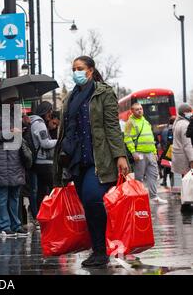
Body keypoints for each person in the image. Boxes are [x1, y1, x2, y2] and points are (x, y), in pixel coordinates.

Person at [54, 56, 129, 267]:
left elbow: (112, 126)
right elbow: (65, 129)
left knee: (92, 198)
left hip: (99, 158)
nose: (75, 72)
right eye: (73, 68)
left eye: (80, 68)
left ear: (90, 70)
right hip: (77, 159)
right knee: (88, 206)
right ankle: (97, 250)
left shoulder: (103, 93)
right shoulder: (71, 97)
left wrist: (120, 155)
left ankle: (101, 250)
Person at [0, 86, 29, 238]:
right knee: (2, 194)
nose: (13, 102)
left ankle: (16, 224)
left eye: (15, 100)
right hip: (0, 160)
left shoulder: (15, 114)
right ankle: (3, 226)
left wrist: (25, 124)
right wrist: (9, 132)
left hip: (15, 159)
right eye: (11, 100)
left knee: (14, 194)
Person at [124, 103, 167, 204]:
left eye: (141, 109)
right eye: (137, 109)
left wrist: (155, 152)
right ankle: (139, 198)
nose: (139, 111)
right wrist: (133, 152)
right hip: (139, 153)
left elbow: (151, 138)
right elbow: (127, 138)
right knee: (139, 177)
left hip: (150, 153)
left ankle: (154, 197)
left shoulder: (146, 122)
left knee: (153, 175)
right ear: (132, 111)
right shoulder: (130, 122)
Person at [28, 101, 58, 221]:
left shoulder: (34, 121)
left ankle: (42, 215)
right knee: (52, 189)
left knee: (40, 190)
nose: (50, 114)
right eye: (50, 111)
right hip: (44, 162)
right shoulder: (39, 124)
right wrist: (59, 141)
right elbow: (45, 143)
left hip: (39, 162)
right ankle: (50, 214)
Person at [171, 103, 193, 213]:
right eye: (190, 111)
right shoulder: (185, 125)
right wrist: (192, 160)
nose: (191, 113)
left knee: (185, 181)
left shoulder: (178, 123)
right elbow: (187, 144)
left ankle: (185, 204)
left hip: (179, 157)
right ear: (185, 112)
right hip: (185, 158)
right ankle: (186, 205)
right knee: (188, 181)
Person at [160, 116, 175, 187]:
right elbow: (170, 141)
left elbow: (162, 141)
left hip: (166, 150)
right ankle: (173, 182)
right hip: (172, 150)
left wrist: (164, 149)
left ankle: (164, 181)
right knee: (173, 166)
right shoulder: (172, 129)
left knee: (167, 166)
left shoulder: (164, 130)